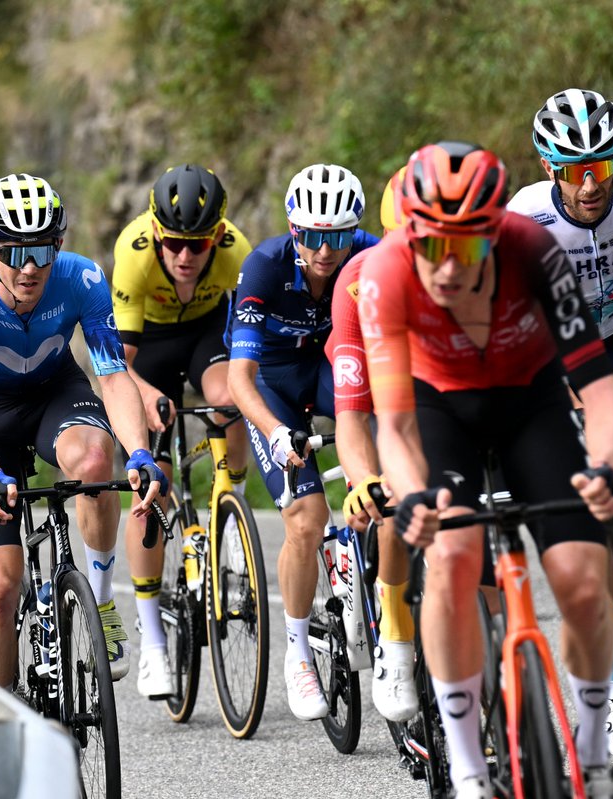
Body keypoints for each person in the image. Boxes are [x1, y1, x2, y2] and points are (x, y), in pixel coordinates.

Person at [361, 141, 613, 799]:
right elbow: (393, 425)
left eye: (467, 248)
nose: (447, 267)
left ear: (495, 234)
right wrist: (413, 495)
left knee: (584, 579)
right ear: (409, 234)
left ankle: (593, 747)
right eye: (431, 246)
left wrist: (606, 466)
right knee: (451, 557)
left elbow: (597, 384)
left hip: (530, 401)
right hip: (438, 408)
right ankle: (468, 763)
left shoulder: (533, 249)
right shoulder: (385, 273)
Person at [0, 172, 165, 687]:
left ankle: (100, 604)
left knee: (95, 460)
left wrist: (139, 453)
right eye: (16, 253)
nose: (31, 267)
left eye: (42, 251)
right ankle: (0, 722)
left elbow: (113, 375)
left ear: (58, 246)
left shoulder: (82, 279)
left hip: (55, 394)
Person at [227, 163, 379, 720]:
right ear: (294, 229)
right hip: (272, 380)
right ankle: (297, 654)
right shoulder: (265, 266)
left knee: (382, 462)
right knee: (307, 520)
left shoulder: (369, 253)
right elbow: (239, 379)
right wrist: (273, 431)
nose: (325, 250)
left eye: (338, 237)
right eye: (312, 236)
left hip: (329, 366)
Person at [110, 164, 252, 698]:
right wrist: (149, 396)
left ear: (217, 236)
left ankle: (231, 511)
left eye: (198, 245)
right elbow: (118, 366)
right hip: (147, 347)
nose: (185, 256)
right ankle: (152, 642)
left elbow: (251, 348)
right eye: (173, 243)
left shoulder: (238, 251)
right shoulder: (134, 253)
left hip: (206, 333)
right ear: (156, 232)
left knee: (230, 399)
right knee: (151, 487)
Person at [507, 89, 613, 754]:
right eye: (576, 171)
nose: (591, 185)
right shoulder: (525, 218)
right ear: (550, 168)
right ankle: (611, 688)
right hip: (557, 354)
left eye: (602, 166)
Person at [323, 166, 418, 722]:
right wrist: (364, 482)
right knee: (394, 501)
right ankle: (396, 639)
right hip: (386, 388)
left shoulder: (483, 271)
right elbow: (354, 415)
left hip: (446, 387)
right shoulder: (359, 283)